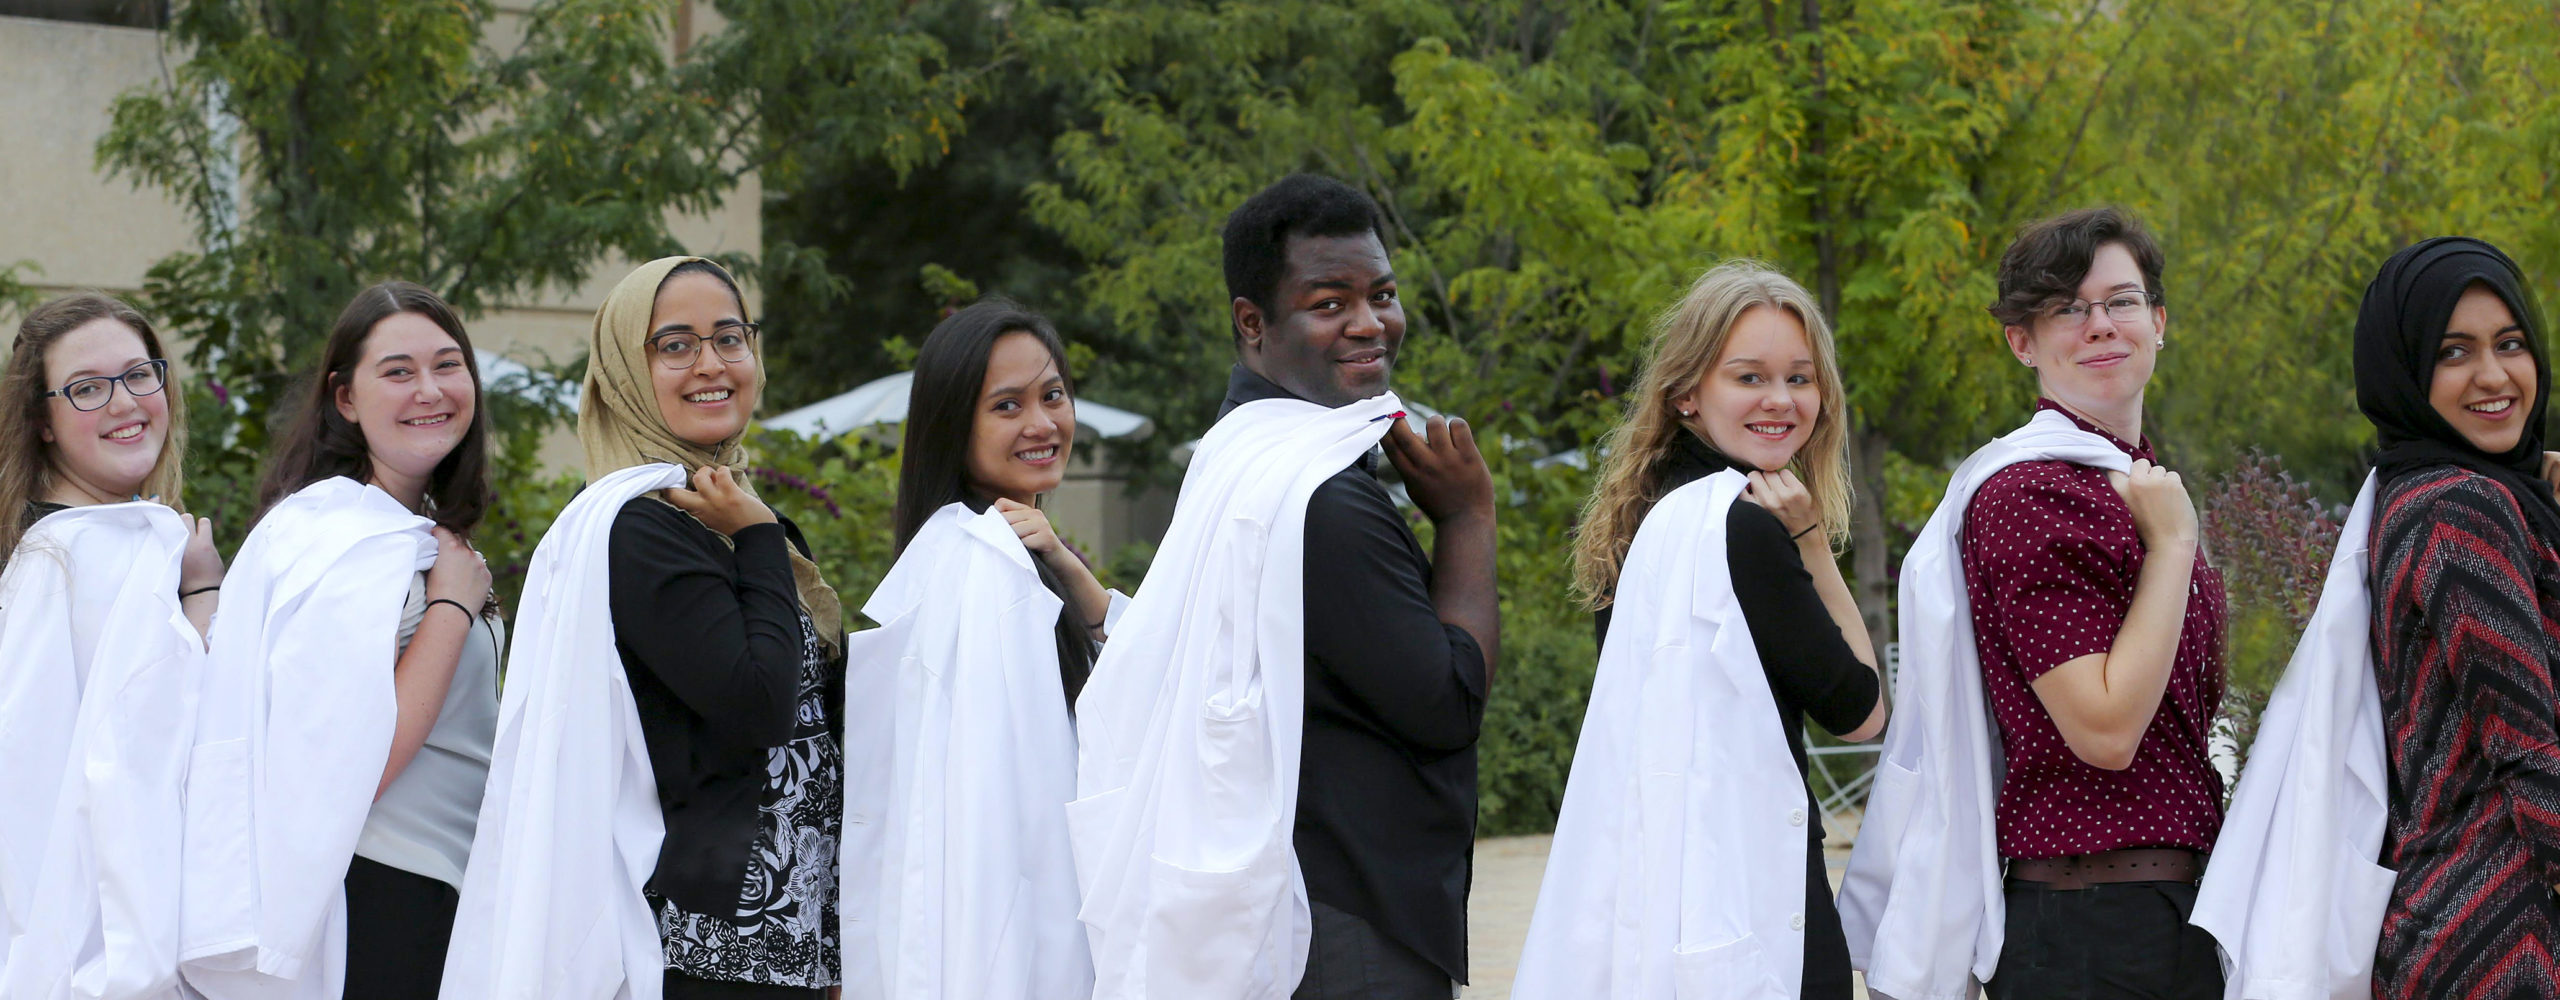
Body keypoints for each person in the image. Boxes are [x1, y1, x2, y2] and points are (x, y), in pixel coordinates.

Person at [1070, 173, 1499, 1000]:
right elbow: (1448, 704)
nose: (1371, 323)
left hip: (1304, 902)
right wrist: (1469, 521)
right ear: (1252, 322)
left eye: (1383, 294)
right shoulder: (1321, 497)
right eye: (1330, 303)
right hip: (1351, 919)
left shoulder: (1236, 453)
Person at [1839, 207, 2228, 1000]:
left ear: (2159, 321)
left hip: (2167, 912)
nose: (2100, 325)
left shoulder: (2137, 487)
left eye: (2121, 301)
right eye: (2065, 308)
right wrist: (2174, 548)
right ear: (2023, 342)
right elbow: (2106, 728)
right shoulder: (2033, 493)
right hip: (2091, 924)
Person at [442, 256, 844, 1000]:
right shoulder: (642, 528)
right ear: (629, 369)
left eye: (729, 337)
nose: (711, 364)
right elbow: (758, 705)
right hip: (715, 947)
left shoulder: (730, 514)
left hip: (790, 942)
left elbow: (813, 730)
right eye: (675, 344)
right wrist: (757, 538)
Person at [1513, 261, 1885, 998]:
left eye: (1800, 378)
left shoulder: (1642, 523)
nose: (1781, 400)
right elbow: (1861, 712)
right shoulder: (1742, 525)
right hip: (1754, 899)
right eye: (1749, 377)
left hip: (1658, 893)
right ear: (1687, 393)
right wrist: (1812, 542)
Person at [177, 282, 497, 1000]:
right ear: (345, 398)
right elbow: (353, 759)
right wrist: (450, 606)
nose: (430, 389)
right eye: (397, 371)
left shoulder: (408, 533)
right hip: (384, 890)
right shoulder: (337, 536)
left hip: (445, 884)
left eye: (448, 365)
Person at [838, 299, 1119, 997]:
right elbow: (990, 825)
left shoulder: (997, 557)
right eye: (1006, 406)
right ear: (952, 426)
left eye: (1052, 395)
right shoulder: (983, 569)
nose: (1042, 423)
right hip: (1009, 954)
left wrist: (1073, 573)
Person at [2352, 237, 2560, 998]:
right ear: (2404, 367)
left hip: (2461, 923)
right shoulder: (2460, 512)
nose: (2494, 376)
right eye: (2454, 352)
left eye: (2511, 344)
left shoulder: (2420, 495)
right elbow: (2532, 753)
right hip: (2507, 937)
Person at [0, 293, 216, 999]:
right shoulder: (76, 561)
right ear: (44, 423)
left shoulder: (121, 545)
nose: (124, 403)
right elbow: (45, 804)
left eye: (138, 375)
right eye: (88, 388)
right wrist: (204, 597)